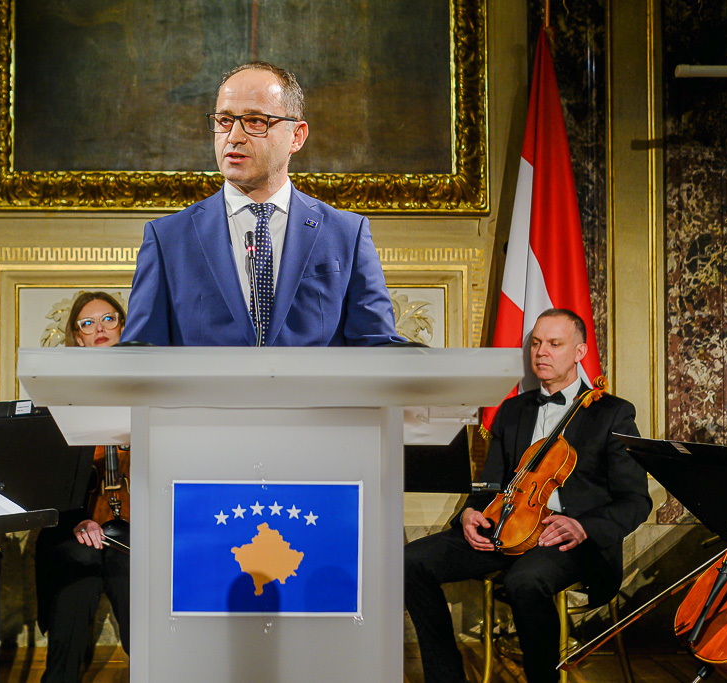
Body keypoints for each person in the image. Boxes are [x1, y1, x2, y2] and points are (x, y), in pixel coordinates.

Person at [403, 308, 652, 683]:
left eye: (554, 343)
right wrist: (469, 513)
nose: (541, 352)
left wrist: (582, 526)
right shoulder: (512, 410)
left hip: (569, 539)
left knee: (525, 580)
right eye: (536, 343)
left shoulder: (612, 413)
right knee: (411, 562)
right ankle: (446, 677)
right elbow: (491, 482)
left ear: (580, 352)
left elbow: (636, 500)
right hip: (507, 526)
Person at [123, 61, 401, 346]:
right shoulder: (167, 239)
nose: (234, 137)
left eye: (255, 121)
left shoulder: (347, 234)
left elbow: (379, 346)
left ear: (296, 136)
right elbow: (141, 354)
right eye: (224, 120)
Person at [35, 292, 131, 681]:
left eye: (109, 319)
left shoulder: (148, 388)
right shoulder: (61, 396)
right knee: (77, 573)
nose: (99, 328)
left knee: (129, 570)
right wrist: (78, 519)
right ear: (77, 337)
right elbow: (48, 478)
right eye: (87, 324)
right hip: (72, 524)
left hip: (138, 524)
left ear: (123, 326)